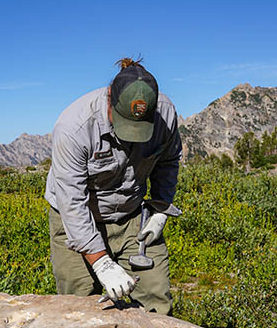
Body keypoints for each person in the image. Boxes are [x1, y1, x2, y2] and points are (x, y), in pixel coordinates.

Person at [44, 57, 182, 314]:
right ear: (109, 98)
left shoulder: (165, 113)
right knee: (81, 304)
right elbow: (72, 203)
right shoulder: (74, 127)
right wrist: (101, 263)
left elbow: (168, 161)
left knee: (156, 299)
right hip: (78, 219)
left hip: (132, 217)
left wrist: (160, 209)